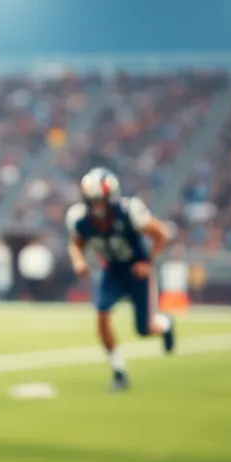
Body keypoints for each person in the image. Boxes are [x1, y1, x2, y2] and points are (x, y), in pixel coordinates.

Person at [66, 168, 175, 392]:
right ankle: (118, 372)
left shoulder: (129, 211)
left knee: (145, 329)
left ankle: (165, 325)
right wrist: (78, 260)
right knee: (102, 315)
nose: (97, 206)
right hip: (111, 270)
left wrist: (148, 262)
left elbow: (161, 233)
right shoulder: (78, 217)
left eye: (101, 200)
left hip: (137, 271)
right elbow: (76, 242)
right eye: (92, 200)